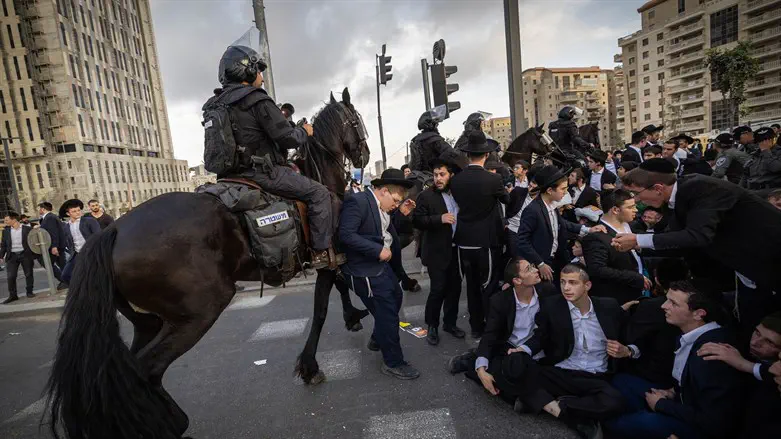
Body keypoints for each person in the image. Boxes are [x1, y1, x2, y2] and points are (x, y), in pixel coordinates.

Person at [204, 45, 335, 269]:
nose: (262, 79)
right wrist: (305, 132)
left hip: (229, 177)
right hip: (263, 174)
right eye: (259, 71)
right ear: (247, 71)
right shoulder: (257, 99)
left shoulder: (215, 105)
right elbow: (288, 139)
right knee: (319, 193)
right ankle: (320, 253)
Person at [616, 158, 781, 293]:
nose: (636, 201)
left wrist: (638, 239)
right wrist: (637, 246)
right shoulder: (676, 197)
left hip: (769, 262)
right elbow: (680, 242)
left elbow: (697, 236)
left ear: (658, 188)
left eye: (636, 194)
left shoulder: (702, 188)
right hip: (746, 273)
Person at [604, 281, 744, 439]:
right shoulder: (689, 334)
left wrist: (662, 405)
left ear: (699, 313)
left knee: (618, 424)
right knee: (622, 381)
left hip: (700, 427)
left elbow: (714, 421)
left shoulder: (711, 356)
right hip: (679, 401)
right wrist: (671, 392)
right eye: (667, 299)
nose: (664, 306)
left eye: (673, 303)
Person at [520, 264, 630, 438]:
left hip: (595, 375)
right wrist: (523, 349)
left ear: (587, 286)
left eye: (573, 282)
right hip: (562, 371)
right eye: (563, 282)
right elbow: (541, 336)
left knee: (616, 402)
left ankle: (555, 405)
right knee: (520, 369)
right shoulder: (552, 305)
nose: (566, 288)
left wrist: (628, 350)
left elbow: (628, 336)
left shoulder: (608, 307)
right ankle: (573, 415)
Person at [338, 168, 419, 380]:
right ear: (383, 191)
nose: (395, 204)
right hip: (364, 269)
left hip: (382, 266)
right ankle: (393, 362)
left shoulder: (384, 208)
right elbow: (346, 235)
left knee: (397, 296)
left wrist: (400, 214)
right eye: (394, 199)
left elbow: (386, 231)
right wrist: (377, 250)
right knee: (388, 312)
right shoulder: (359, 202)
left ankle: (377, 338)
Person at [448, 257, 543, 412]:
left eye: (533, 266)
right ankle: (474, 364)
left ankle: (476, 362)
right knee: (502, 371)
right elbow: (490, 335)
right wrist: (481, 370)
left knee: (534, 375)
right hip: (508, 348)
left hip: (535, 348)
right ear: (517, 281)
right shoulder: (500, 300)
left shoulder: (546, 292)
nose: (536, 270)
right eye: (529, 269)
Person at [450, 131, 508, 339]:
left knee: (472, 286)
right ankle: (490, 325)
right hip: (485, 240)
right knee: (490, 285)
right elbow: (506, 201)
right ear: (485, 155)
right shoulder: (494, 179)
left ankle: (475, 326)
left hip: (464, 241)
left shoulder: (456, 181)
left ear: (468, 155)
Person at [516, 166, 605, 297]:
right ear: (550, 190)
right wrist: (540, 264)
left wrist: (588, 229)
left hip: (557, 259)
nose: (566, 192)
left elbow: (562, 224)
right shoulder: (533, 210)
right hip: (543, 262)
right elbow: (522, 240)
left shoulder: (552, 205)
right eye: (563, 189)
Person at [698, 312, 781, 438]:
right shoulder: (733, 346)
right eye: (757, 332)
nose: (755, 342)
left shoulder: (772, 392)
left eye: (769, 342)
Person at [412, 157, 465, 345]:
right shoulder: (426, 196)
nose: (438, 179)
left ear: (450, 175)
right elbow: (417, 221)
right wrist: (438, 219)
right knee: (438, 290)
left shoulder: (458, 194)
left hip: (457, 251)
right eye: (435, 175)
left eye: (442, 174)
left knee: (455, 289)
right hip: (436, 252)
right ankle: (432, 326)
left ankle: (450, 324)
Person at [582, 190, 650, 305]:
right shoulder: (597, 237)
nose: (636, 210)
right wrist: (634, 277)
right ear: (615, 210)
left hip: (638, 292)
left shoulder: (631, 225)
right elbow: (598, 270)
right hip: (617, 299)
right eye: (631, 207)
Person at [60, 199, 101, 285]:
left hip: (90, 253)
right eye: (74, 211)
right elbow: (68, 243)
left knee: (92, 276)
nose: (78, 212)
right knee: (65, 275)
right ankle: (81, 289)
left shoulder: (89, 221)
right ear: (68, 214)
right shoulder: (66, 227)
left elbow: (99, 237)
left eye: (79, 210)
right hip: (76, 255)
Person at [1, 212, 35, 304]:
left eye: (7, 220)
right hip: (12, 256)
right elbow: (3, 245)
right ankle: (13, 295)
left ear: (14, 219)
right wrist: (1, 256)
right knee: (11, 276)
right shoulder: (6, 231)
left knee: (28, 274)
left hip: (25, 254)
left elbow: (33, 241)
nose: (5, 222)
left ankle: (29, 292)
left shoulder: (27, 229)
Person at [741, 126, 781, 192]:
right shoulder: (754, 155)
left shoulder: (779, 152)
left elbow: (776, 168)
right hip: (752, 191)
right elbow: (745, 176)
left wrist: (766, 151)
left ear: (774, 139)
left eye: (768, 139)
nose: (764, 142)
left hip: (772, 192)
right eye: (761, 141)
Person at [37, 201, 65, 284]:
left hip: (55, 246)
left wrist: (54, 246)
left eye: (39, 209)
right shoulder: (48, 217)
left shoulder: (49, 218)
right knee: (62, 265)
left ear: (43, 209)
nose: (38, 210)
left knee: (47, 263)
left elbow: (53, 232)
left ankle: (65, 281)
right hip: (55, 246)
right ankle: (66, 281)